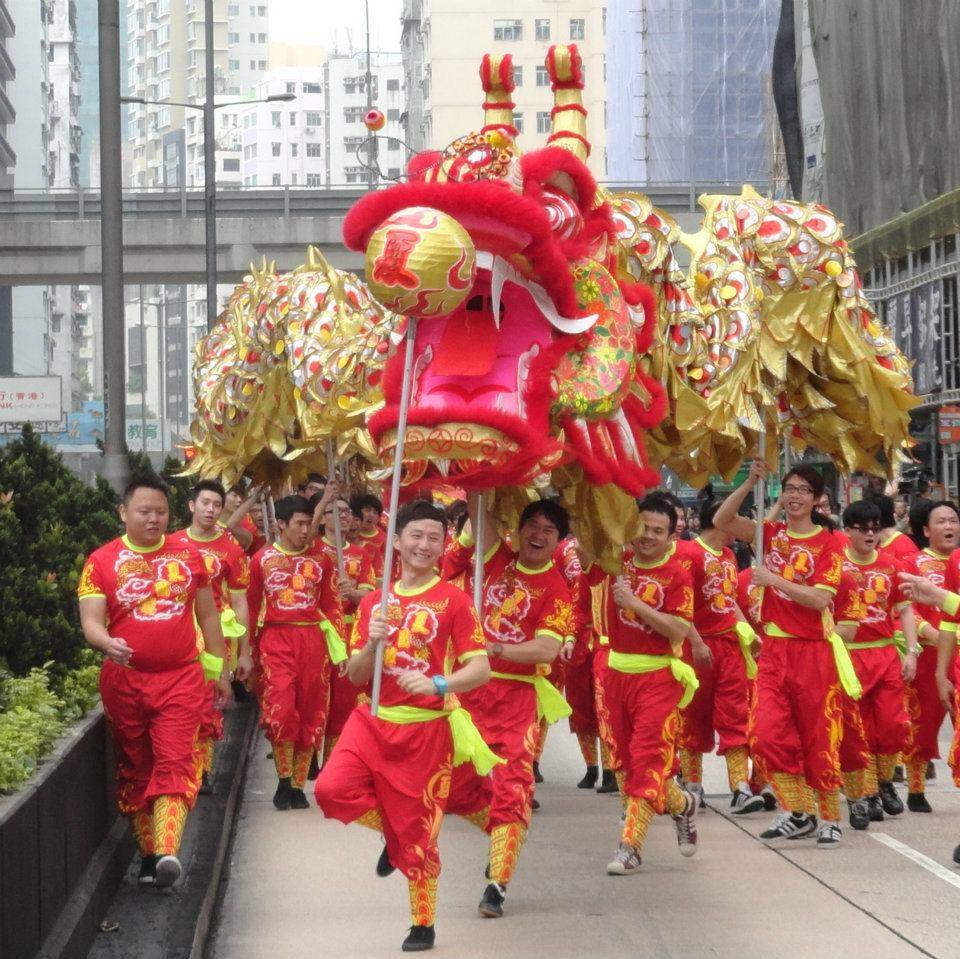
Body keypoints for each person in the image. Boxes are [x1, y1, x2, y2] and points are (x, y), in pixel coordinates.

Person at [314, 500, 494, 953]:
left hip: (426, 730)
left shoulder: (453, 601)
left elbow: (481, 668)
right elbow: (356, 675)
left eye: (435, 537)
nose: (424, 545)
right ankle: (394, 833)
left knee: (421, 835)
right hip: (371, 720)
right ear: (397, 540)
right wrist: (372, 641)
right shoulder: (376, 601)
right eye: (415, 535)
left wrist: (440, 683)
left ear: (444, 544)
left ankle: (423, 924)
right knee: (330, 791)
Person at [78, 476, 232, 888]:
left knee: (176, 762)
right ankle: (150, 857)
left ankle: (167, 850)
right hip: (125, 683)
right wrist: (107, 642)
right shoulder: (101, 561)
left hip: (181, 679)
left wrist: (218, 671)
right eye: (144, 511)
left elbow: (210, 615)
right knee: (137, 768)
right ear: (123, 513)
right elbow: (91, 622)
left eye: (160, 512)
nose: (153, 519)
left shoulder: (187, 556)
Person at [443, 497, 574, 918]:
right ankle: (502, 837)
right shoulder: (494, 558)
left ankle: (497, 882)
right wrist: (485, 477)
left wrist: (495, 647)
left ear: (559, 541)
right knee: (456, 787)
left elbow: (548, 648)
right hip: (469, 691)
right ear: (518, 529)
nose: (537, 535)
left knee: (512, 787)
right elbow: (478, 512)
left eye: (548, 531)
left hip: (516, 699)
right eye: (531, 525)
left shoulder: (556, 588)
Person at [714, 463, 850, 848]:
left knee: (818, 737)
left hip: (813, 653)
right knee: (765, 734)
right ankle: (799, 809)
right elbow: (722, 519)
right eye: (789, 488)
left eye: (803, 490)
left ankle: (829, 817)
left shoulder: (831, 543)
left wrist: (773, 580)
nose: (794, 495)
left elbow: (820, 599)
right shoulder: (770, 534)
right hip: (774, 650)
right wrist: (750, 481)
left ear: (816, 498)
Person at [593, 495, 699, 875]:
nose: (648, 537)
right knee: (623, 763)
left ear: (672, 536)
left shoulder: (677, 575)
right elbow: (589, 527)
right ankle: (683, 804)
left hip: (658, 678)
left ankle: (630, 846)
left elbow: (679, 629)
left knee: (648, 761)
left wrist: (636, 605)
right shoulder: (615, 562)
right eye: (643, 528)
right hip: (616, 676)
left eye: (658, 531)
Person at [247, 495, 346, 810]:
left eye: (309, 523)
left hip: (314, 642)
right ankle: (283, 778)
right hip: (276, 640)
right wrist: (245, 654)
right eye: (299, 524)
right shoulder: (261, 560)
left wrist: (340, 651)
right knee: (282, 709)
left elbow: (332, 606)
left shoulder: (322, 561)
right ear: (281, 525)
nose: (306, 530)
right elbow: (249, 610)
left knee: (311, 712)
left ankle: (298, 786)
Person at [677, 500, 766, 815]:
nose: (739, 522)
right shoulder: (687, 554)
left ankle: (740, 788)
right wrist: (696, 641)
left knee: (735, 715)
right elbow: (679, 605)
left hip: (728, 648)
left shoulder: (729, 556)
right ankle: (692, 785)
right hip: (696, 648)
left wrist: (747, 633)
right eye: (735, 516)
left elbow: (729, 602)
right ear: (717, 520)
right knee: (693, 717)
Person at [167, 480, 252, 792]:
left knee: (211, 702)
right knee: (184, 703)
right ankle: (184, 766)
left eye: (216, 505)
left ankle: (201, 771)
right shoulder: (171, 544)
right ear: (192, 506)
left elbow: (241, 601)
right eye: (205, 503)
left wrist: (244, 652)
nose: (210, 510)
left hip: (217, 634)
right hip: (179, 634)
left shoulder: (231, 550)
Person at [837, 500, 917, 828]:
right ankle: (867, 792)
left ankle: (885, 782)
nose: (870, 534)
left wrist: (911, 651)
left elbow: (907, 610)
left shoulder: (890, 565)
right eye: (862, 528)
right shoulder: (836, 567)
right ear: (848, 532)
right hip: (850, 656)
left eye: (875, 527)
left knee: (893, 724)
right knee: (858, 730)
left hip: (884, 655)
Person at [898, 500, 960, 811]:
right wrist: (934, 636)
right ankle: (916, 787)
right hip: (930, 659)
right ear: (926, 530)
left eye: (953, 520)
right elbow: (909, 611)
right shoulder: (914, 563)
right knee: (920, 723)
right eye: (941, 522)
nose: (949, 527)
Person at [311, 493, 377, 761]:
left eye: (346, 511)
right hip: (318, 632)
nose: (342, 516)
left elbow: (370, 594)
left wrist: (353, 593)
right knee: (314, 694)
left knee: (343, 698)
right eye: (334, 511)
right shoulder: (313, 550)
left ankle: (334, 759)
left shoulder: (361, 555)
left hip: (348, 631)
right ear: (323, 518)